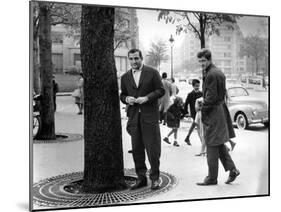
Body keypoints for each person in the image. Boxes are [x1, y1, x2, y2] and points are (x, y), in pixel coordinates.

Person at [120, 49, 165, 190]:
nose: (134, 61)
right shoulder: (125, 77)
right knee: (137, 150)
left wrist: (147, 98)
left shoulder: (152, 72)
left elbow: (160, 90)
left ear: (141, 58)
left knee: (153, 150)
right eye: (131, 59)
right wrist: (127, 99)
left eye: (136, 58)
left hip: (150, 118)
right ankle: (141, 179)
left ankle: (155, 179)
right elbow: (122, 95)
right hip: (134, 118)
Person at [196, 49, 240, 186]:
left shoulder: (210, 74)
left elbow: (211, 97)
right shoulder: (218, 72)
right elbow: (219, 94)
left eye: (203, 61)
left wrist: (201, 107)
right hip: (220, 110)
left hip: (213, 113)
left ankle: (212, 178)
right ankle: (233, 170)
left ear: (209, 59)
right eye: (200, 61)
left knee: (210, 144)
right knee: (219, 144)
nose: (201, 64)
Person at [183, 79, 203, 145]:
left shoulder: (201, 93)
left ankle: (187, 137)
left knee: (194, 125)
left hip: (200, 112)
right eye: (196, 86)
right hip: (194, 113)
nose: (197, 87)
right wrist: (185, 112)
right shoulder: (190, 94)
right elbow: (186, 103)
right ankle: (202, 142)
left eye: (198, 86)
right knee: (198, 127)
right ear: (193, 86)